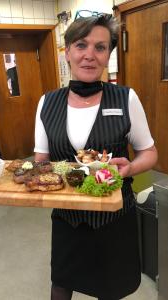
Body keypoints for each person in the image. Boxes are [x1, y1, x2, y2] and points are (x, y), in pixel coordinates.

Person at [34, 13, 158, 300]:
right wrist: (30, 174)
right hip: (67, 218)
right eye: (81, 45)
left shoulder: (126, 98)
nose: (89, 55)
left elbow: (149, 153)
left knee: (111, 289)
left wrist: (128, 170)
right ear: (67, 52)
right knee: (61, 287)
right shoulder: (47, 102)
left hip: (114, 217)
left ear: (108, 55)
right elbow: (42, 158)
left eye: (100, 47)